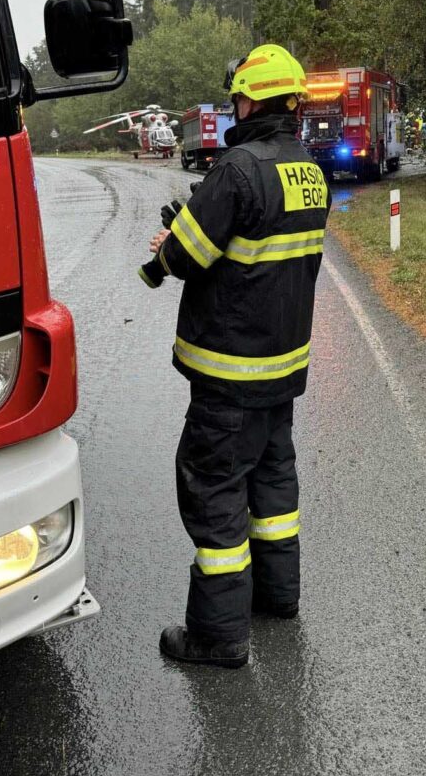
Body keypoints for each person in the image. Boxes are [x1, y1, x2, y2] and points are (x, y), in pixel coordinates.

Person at [139, 44, 331, 668]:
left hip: (229, 374)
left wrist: (171, 242)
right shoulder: (309, 168)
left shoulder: (238, 169)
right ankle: (278, 598)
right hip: (282, 368)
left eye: (238, 96)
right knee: (274, 486)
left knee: (215, 492)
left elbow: (185, 257)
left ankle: (217, 637)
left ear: (250, 98)